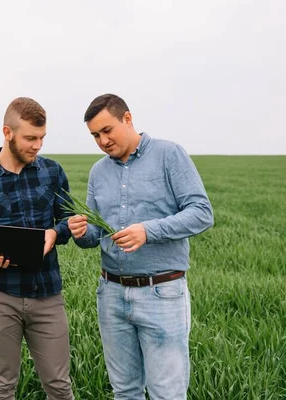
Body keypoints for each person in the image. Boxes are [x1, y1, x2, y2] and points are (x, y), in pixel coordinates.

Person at [67, 93, 214, 399]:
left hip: (162, 293)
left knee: (167, 393)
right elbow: (96, 234)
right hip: (111, 294)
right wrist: (82, 232)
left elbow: (201, 213)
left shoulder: (168, 154)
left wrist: (148, 231)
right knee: (125, 391)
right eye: (95, 135)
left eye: (107, 130)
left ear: (128, 119)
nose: (102, 141)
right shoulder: (98, 172)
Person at [0, 97, 74, 400]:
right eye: (30, 138)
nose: (37, 146)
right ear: (7, 133)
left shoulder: (53, 172)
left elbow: (68, 220)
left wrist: (56, 231)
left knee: (60, 386)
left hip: (47, 293)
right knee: (2, 385)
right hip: (0, 295)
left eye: (42, 138)